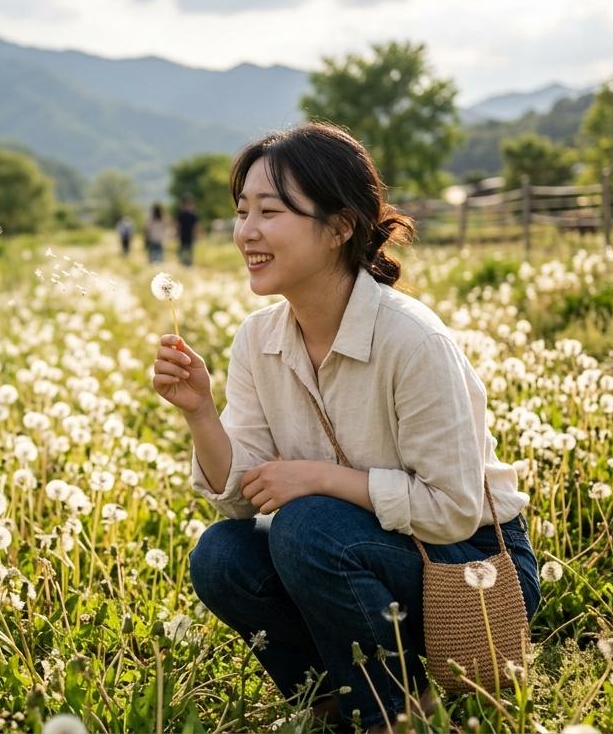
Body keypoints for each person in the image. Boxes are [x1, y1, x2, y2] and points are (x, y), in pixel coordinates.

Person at [151, 123, 539, 732]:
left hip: (471, 565)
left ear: (339, 228)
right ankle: (335, 698)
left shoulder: (412, 339)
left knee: (306, 527)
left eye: (270, 211)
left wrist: (320, 479)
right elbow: (237, 498)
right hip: (353, 552)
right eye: (241, 211)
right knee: (220, 555)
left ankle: (389, 714)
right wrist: (199, 411)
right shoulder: (258, 338)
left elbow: (454, 510)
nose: (246, 231)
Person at [175, 195, 199, 266]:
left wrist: (177, 234)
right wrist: (196, 235)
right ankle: (188, 263)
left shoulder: (181, 213)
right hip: (188, 235)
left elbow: (177, 225)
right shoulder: (193, 214)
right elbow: (196, 226)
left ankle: (183, 263)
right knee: (188, 250)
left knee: (183, 249)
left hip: (183, 234)